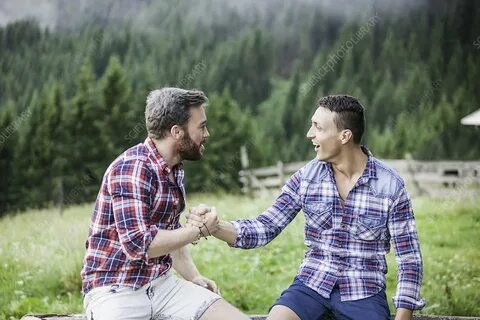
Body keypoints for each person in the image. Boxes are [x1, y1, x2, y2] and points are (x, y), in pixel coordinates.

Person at [188, 95, 425, 320]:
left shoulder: (390, 185)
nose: (309, 134)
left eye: (318, 127)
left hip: (364, 291)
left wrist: (403, 315)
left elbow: (409, 259)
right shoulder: (306, 178)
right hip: (311, 284)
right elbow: (266, 226)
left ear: (344, 136)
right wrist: (216, 227)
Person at [80, 87, 249, 320]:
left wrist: (193, 277)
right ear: (177, 132)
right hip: (115, 290)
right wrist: (198, 230)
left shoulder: (174, 169)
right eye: (201, 126)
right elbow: (141, 245)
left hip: (162, 285)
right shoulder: (132, 168)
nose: (207, 133)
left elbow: (170, 235)